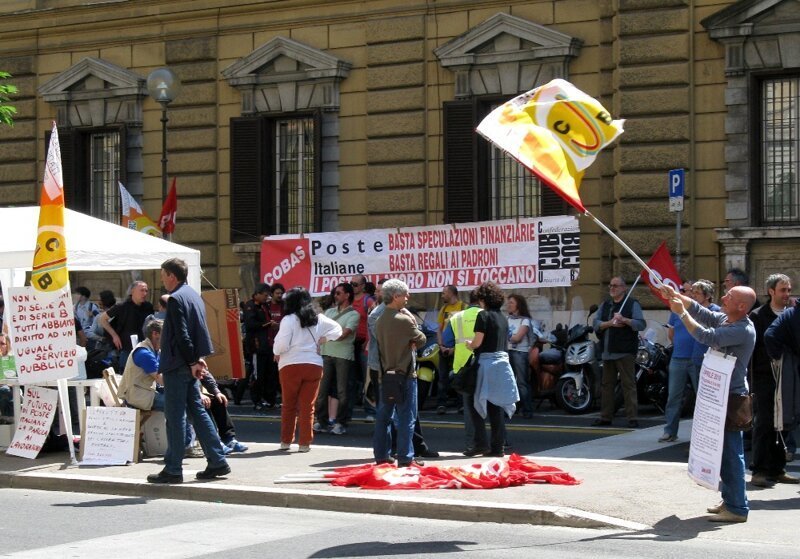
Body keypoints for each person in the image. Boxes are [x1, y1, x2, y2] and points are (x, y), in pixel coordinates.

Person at [659, 282, 757, 523]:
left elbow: (705, 335)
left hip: (730, 398)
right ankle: (731, 500)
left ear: (742, 306)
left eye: (729, 296)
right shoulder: (729, 319)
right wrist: (679, 297)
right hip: (719, 394)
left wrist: (681, 312)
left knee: (731, 453)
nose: (723, 298)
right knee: (722, 451)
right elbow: (706, 314)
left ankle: (737, 508)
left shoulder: (742, 329)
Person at [147, 258, 230, 484]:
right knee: (198, 413)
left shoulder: (175, 299)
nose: (162, 278)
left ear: (172, 275)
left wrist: (193, 360)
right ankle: (217, 460)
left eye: (163, 274)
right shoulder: (193, 295)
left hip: (178, 364)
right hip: (189, 363)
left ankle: (173, 468)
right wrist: (197, 360)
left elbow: (182, 335)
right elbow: (198, 330)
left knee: (175, 418)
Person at [273, 286, 342, 453]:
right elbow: (338, 330)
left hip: (290, 364)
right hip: (313, 364)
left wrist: (276, 353)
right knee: (308, 406)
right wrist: (323, 339)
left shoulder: (288, 319)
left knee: (289, 405)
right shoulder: (318, 318)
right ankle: (305, 443)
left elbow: (281, 344)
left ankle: (286, 441)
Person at [749, 273, 798, 487]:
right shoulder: (758, 316)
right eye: (783, 290)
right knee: (765, 422)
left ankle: (778, 469)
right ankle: (759, 470)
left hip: (788, 377)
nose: (787, 294)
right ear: (771, 291)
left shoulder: (791, 314)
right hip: (764, 376)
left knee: (784, 422)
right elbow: (754, 348)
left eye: (789, 290)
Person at [373, 279, 427, 467]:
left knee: (384, 417)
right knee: (406, 418)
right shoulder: (404, 319)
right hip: (404, 374)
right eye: (405, 294)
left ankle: (381, 455)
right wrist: (412, 320)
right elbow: (421, 339)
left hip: (386, 373)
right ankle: (405, 457)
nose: (407, 297)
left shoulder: (380, 321)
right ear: (396, 297)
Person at [465, 282, 519, 457]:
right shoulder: (503, 317)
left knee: (476, 403)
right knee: (497, 408)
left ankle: (481, 444)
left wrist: (469, 345)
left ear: (483, 299)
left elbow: (477, 342)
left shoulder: (483, 316)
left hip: (487, 365)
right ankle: (498, 447)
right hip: (503, 364)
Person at [593, 277, 646, 427]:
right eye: (610, 285)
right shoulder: (606, 304)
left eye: (615, 286)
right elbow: (596, 324)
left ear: (624, 288)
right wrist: (609, 323)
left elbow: (641, 324)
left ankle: (632, 418)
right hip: (607, 350)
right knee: (606, 385)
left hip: (625, 351)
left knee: (628, 385)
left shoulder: (632, 304)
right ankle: (606, 417)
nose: (612, 288)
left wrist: (625, 320)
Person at [315, 282, 359, 435]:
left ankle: (341, 422)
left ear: (347, 295)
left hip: (343, 356)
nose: (336, 295)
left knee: (342, 391)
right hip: (326, 354)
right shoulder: (329, 312)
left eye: (339, 293)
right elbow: (319, 330)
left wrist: (326, 338)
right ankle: (321, 421)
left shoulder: (354, 314)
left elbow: (344, 334)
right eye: (335, 293)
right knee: (322, 390)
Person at [443, 289, 482, 455]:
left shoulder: (456, 317)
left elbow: (447, 340)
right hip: (483, 364)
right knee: (492, 406)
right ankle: (499, 442)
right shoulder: (486, 315)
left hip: (463, 367)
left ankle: (471, 445)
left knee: (469, 409)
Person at [659, 288, 699, 443]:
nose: (686, 293)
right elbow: (671, 334)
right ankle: (670, 431)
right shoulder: (675, 310)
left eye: (689, 291)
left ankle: (700, 436)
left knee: (701, 398)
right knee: (673, 397)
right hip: (678, 358)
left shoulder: (699, 311)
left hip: (696, 359)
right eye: (684, 290)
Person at [97, 280, 154, 371]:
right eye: (142, 290)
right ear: (133, 291)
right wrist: (114, 335)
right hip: (127, 350)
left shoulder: (148, 307)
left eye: (146, 291)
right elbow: (103, 319)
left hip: (145, 349)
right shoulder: (122, 306)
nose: (144, 293)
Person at [436, 285, 466, 414]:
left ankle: (461, 404)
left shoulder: (463, 307)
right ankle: (441, 404)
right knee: (442, 377)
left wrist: (456, 348)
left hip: (458, 349)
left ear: (451, 293)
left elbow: (464, 331)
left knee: (459, 376)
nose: (442, 296)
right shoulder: (444, 309)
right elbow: (439, 329)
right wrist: (441, 345)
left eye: (444, 293)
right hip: (444, 349)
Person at [349, 274, 375, 422]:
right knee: (350, 379)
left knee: (367, 379)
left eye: (356, 284)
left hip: (364, 344)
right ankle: (348, 410)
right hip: (350, 344)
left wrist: (369, 340)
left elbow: (375, 320)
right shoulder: (348, 300)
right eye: (351, 284)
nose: (353, 287)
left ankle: (370, 410)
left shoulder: (368, 300)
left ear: (363, 286)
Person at [243, 283, 272, 410]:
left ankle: (266, 398)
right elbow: (250, 324)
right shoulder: (250, 306)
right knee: (257, 374)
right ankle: (256, 400)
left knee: (267, 373)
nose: (267, 298)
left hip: (266, 344)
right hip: (256, 346)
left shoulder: (265, 306)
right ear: (258, 294)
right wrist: (267, 324)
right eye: (265, 295)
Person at [505, 294, 534, 419]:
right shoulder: (507, 319)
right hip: (508, 352)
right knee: (509, 382)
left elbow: (517, 338)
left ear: (518, 305)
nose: (508, 305)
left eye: (511, 302)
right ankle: (511, 409)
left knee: (521, 382)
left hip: (520, 353)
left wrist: (507, 337)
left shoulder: (525, 320)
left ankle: (527, 410)